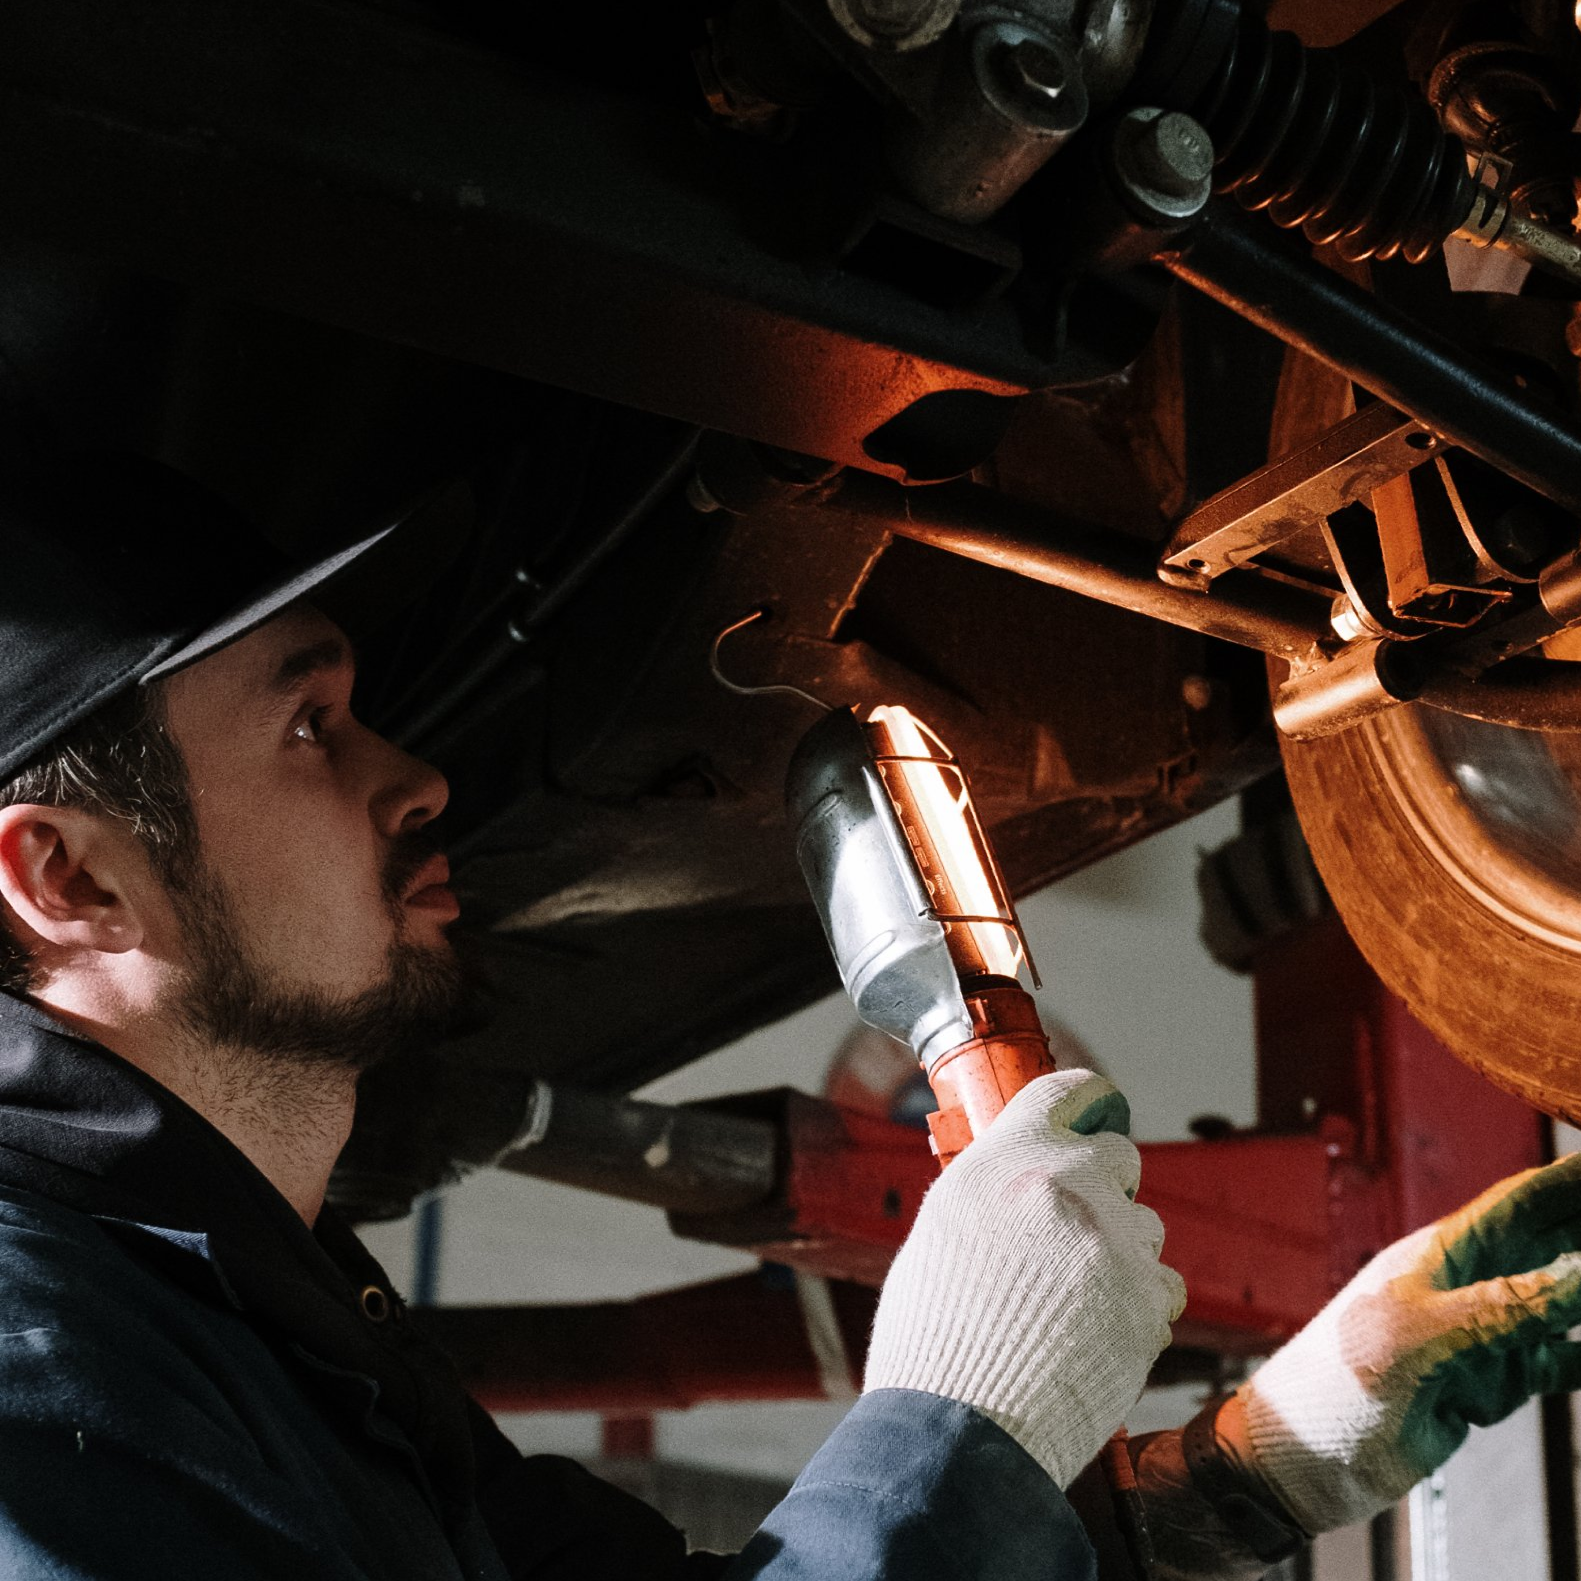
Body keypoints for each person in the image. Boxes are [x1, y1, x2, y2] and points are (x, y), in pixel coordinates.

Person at [0, 457, 1577, 1579]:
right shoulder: (38, 1400)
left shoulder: (258, 1329)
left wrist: (1225, 1483)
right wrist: (960, 1429)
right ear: (66, 878)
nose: (414, 778)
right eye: (309, 727)